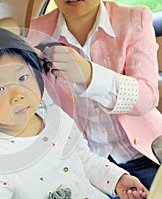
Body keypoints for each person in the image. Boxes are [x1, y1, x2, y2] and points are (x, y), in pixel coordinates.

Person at [0, 27, 148, 198]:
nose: (17, 95)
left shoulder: (55, 117)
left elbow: (84, 159)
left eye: (22, 77)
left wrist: (116, 180)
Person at [27, 0, 162, 191]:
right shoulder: (36, 31)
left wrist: (89, 75)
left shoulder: (135, 18)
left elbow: (147, 97)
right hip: (87, 164)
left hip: (144, 154)